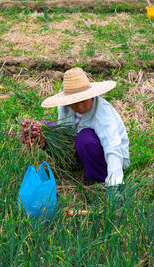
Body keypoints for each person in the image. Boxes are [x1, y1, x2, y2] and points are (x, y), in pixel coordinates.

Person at [41, 68, 130, 205]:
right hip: (83, 146)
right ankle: (75, 164)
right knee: (44, 127)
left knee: (85, 138)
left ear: (91, 96)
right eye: (75, 103)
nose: (81, 106)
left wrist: (113, 184)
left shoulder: (103, 114)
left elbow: (113, 148)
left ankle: (99, 178)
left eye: (84, 101)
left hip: (109, 158)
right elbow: (65, 131)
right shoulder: (64, 108)